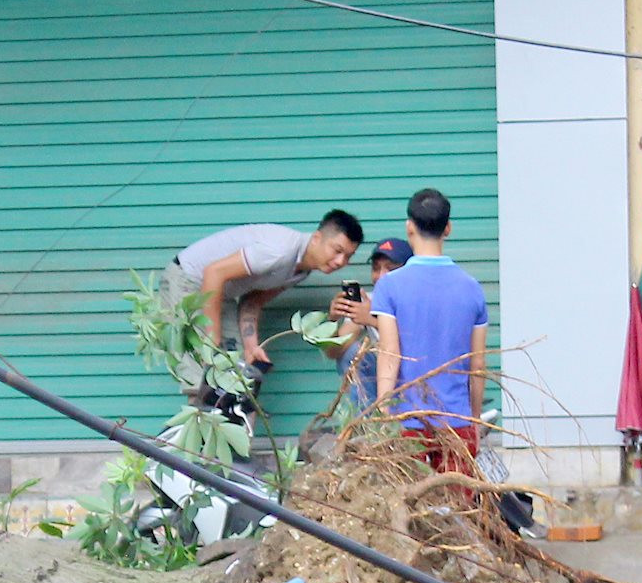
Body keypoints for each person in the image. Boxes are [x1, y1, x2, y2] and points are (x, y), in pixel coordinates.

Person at [372, 188, 488, 471]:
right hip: (457, 424)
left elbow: (389, 353)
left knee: (409, 510)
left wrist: (382, 414)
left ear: (409, 227)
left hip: (407, 423)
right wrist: (473, 420)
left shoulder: (389, 286)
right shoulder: (472, 288)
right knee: (459, 512)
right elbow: (478, 365)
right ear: (447, 228)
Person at [162, 209, 363, 364]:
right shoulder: (280, 251)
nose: (340, 261)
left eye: (348, 256)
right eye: (337, 250)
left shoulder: (302, 270)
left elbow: (252, 301)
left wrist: (251, 347)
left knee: (235, 372)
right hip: (188, 281)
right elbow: (213, 273)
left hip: (222, 294)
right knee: (203, 371)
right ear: (317, 238)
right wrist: (211, 340)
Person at [319, 237, 411, 404]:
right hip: (379, 382)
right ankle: (364, 424)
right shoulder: (369, 301)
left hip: (414, 379)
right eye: (376, 269)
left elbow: (415, 349)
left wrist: (372, 320)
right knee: (354, 352)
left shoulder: (417, 301)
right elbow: (334, 353)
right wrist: (332, 320)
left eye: (390, 269)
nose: (381, 276)